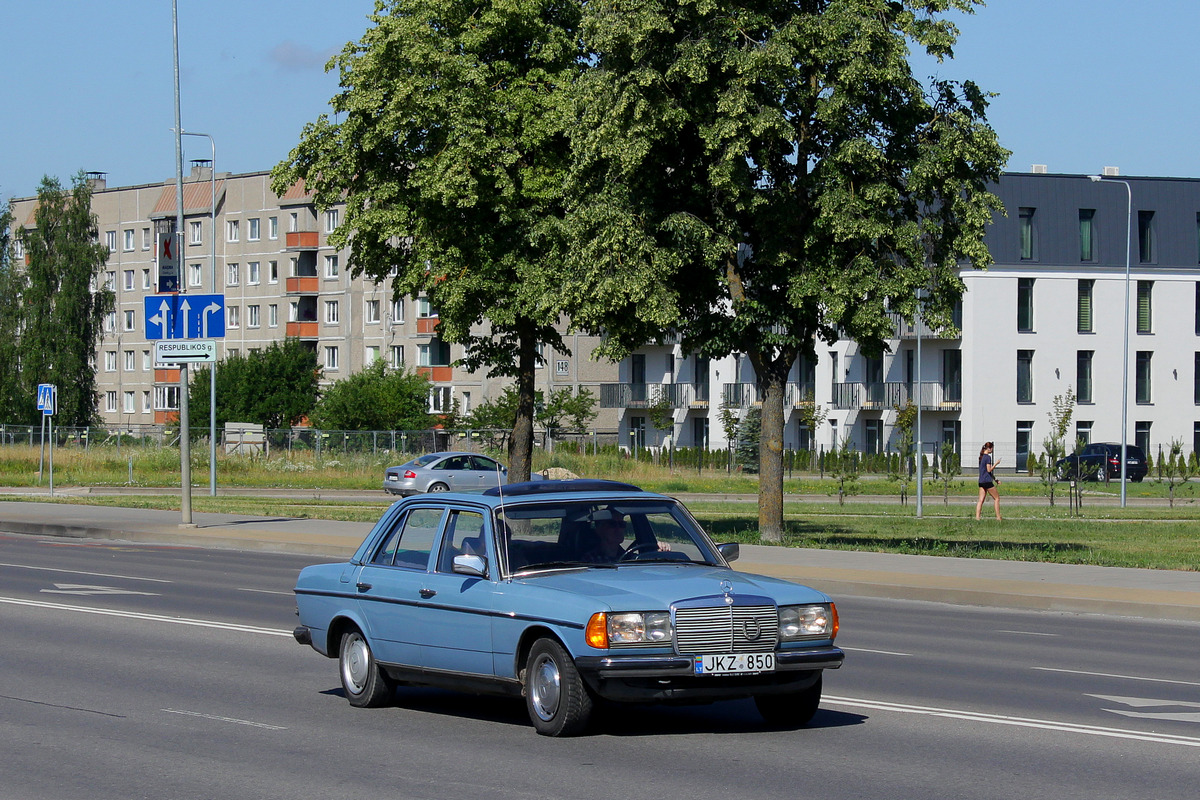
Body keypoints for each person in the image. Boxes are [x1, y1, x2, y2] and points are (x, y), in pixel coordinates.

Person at [975, 441, 1002, 520]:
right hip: (987, 481)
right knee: (997, 498)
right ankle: (998, 517)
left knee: (980, 500)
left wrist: (995, 479)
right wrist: (996, 464)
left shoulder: (981, 457)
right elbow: (989, 470)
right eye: (992, 448)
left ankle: (977, 517)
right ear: (989, 448)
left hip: (981, 481)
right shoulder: (987, 457)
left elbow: (985, 472)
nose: (992, 450)